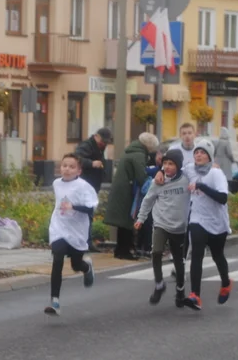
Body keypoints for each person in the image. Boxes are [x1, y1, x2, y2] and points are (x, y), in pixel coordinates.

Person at [135, 149, 191, 307]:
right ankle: (159, 285)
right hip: (161, 223)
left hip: (180, 226)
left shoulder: (186, 179)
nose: (167, 167)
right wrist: (141, 218)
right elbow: (147, 200)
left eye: (171, 164)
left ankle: (180, 291)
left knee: (178, 261)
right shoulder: (158, 181)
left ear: (178, 166)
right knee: (156, 252)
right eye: (165, 163)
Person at [44, 153, 96, 316]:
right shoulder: (56, 183)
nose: (67, 169)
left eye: (72, 166)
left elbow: (90, 208)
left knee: (75, 265)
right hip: (59, 227)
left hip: (77, 231)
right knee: (57, 258)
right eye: (64, 165)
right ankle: (55, 301)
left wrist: (73, 206)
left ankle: (86, 268)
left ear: (79, 171)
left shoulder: (84, 186)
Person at [184, 140, 232, 310]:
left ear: (209, 156)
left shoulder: (216, 173)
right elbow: (173, 170)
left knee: (218, 255)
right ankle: (195, 295)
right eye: (196, 152)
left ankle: (226, 283)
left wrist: (201, 186)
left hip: (217, 221)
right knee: (196, 254)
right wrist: (161, 172)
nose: (198, 155)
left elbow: (222, 198)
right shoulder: (190, 169)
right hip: (198, 219)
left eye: (203, 152)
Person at [105, 132, 158, 260]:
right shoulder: (139, 155)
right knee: (127, 221)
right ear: (149, 146)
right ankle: (124, 252)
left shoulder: (131, 151)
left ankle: (120, 249)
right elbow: (141, 176)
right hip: (127, 191)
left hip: (121, 189)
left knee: (122, 222)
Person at [73, 127, 111, 252]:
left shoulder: (98, 147)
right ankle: (82, 242)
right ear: (96, 136)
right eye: (102, 141)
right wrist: (92, 163)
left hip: (92, 186)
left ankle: (87, 242)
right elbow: (77, 159)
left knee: (89, 214)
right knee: (83, 214)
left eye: (106, 142)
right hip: (85, 185)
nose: (103, 144)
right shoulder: (87, 146)